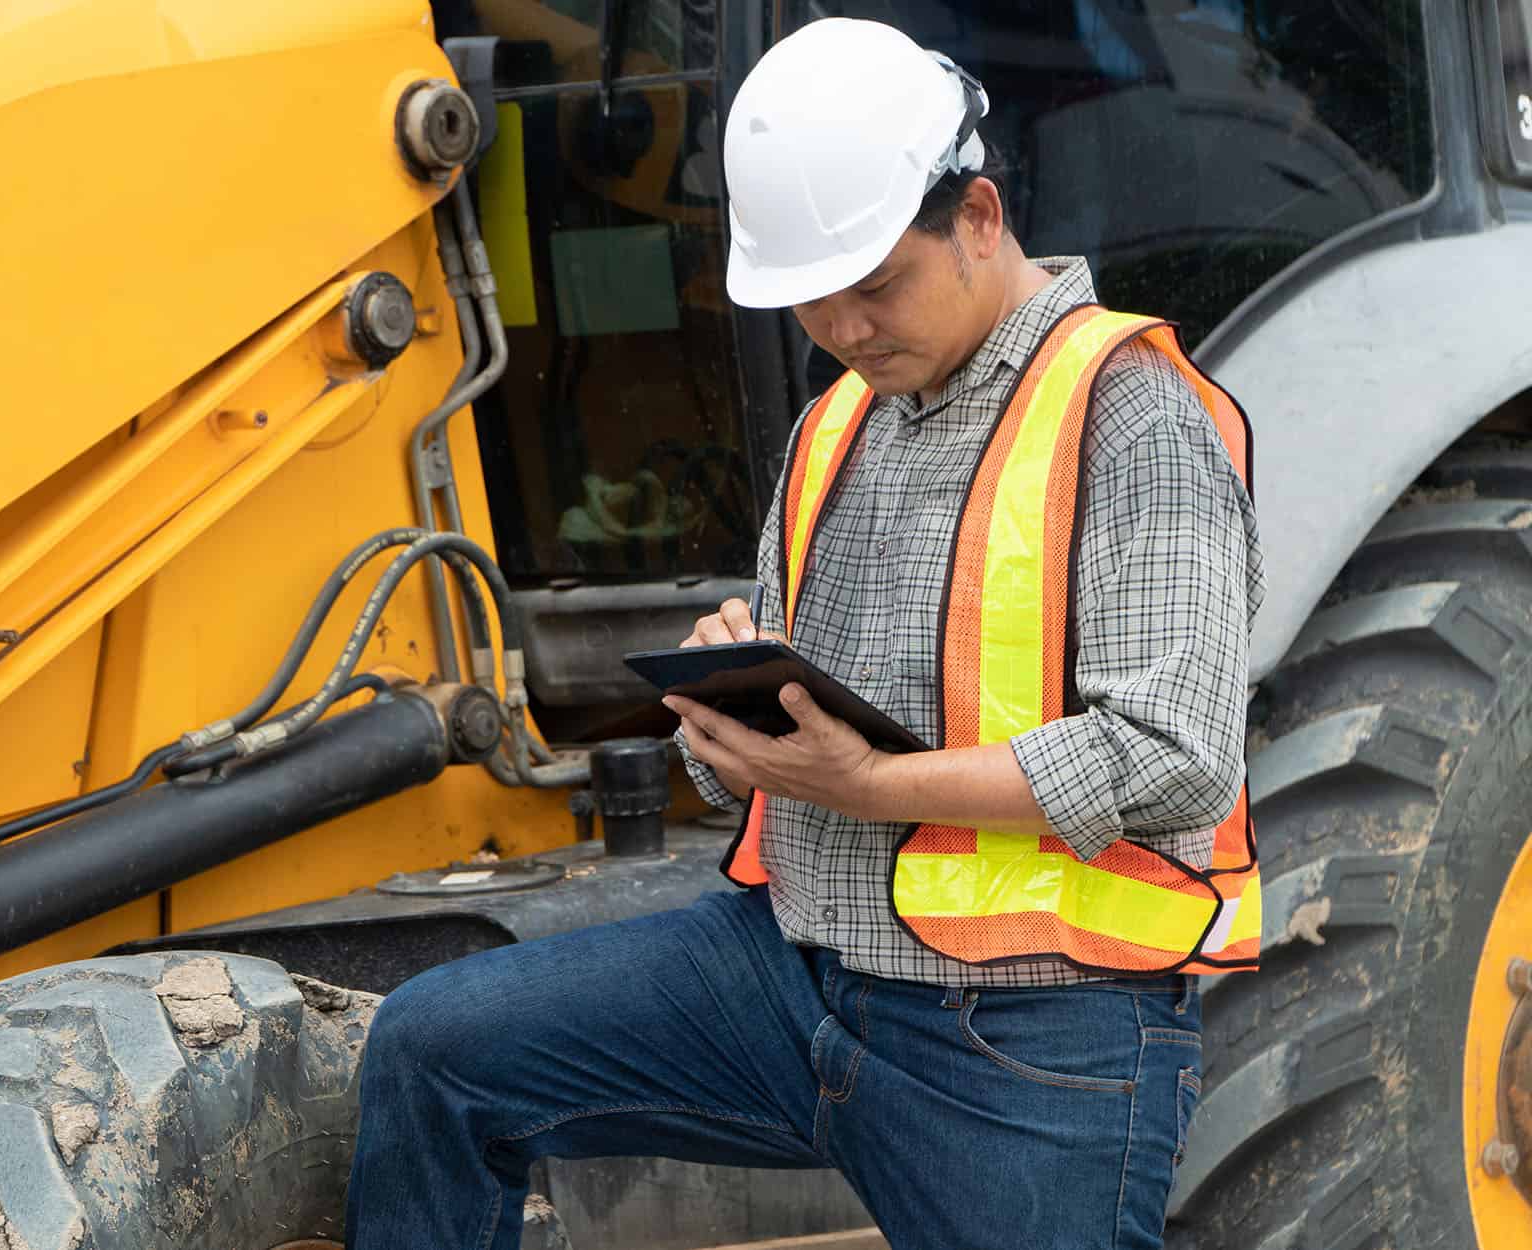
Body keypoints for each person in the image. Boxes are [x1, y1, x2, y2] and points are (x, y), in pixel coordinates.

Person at [344, 17, 1265, 1249]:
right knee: (433, 1051)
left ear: (978, 218)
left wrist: (874, 783)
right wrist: (724, 735)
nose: (842, 326)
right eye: (810, 301)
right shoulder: (840, 421)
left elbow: (1171, 754)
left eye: (874, 285)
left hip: (1030, 1035)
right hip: (789, 975)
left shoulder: (1135, 415)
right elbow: (789, 728)